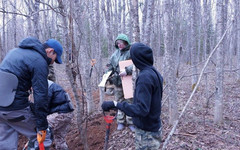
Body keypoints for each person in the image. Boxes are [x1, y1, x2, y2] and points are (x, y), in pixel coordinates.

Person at [0, 37, 63, 149]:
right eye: (55, 58)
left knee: (6, 143)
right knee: (45, 136)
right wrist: (42, 125)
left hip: (2, 109)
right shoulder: (39, 61)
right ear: (50, 51)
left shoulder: (14, 52)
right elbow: (41, 96)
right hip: (14, 107)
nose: (53, 62)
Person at [102, 43, 163, 150]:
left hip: (147, 133)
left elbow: (141, 110)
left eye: (132, 57)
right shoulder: (154, 73)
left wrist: (115, 104)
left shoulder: (145, 78)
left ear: (137, 59)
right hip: (153, 128)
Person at [26, 80, 74, 150]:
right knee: (59, 139)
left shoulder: (44, 87)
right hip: (67, 113)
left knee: (42, 128)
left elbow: (43, 107)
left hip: (61, 113)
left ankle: (36, 147)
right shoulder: (46, 84)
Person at [106, 33, 134, 131]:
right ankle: (121, 121)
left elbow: (135, 64)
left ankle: (131, 122)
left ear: (126, 43)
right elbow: (111, 67)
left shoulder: (131, 52)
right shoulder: (114, 55)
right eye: (118, 43)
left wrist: (127, 70)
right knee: (119, 102)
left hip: (128, 81)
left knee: (130, 101)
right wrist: (107, 75)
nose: (119, 45)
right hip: (117, 81)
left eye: (121, 43)